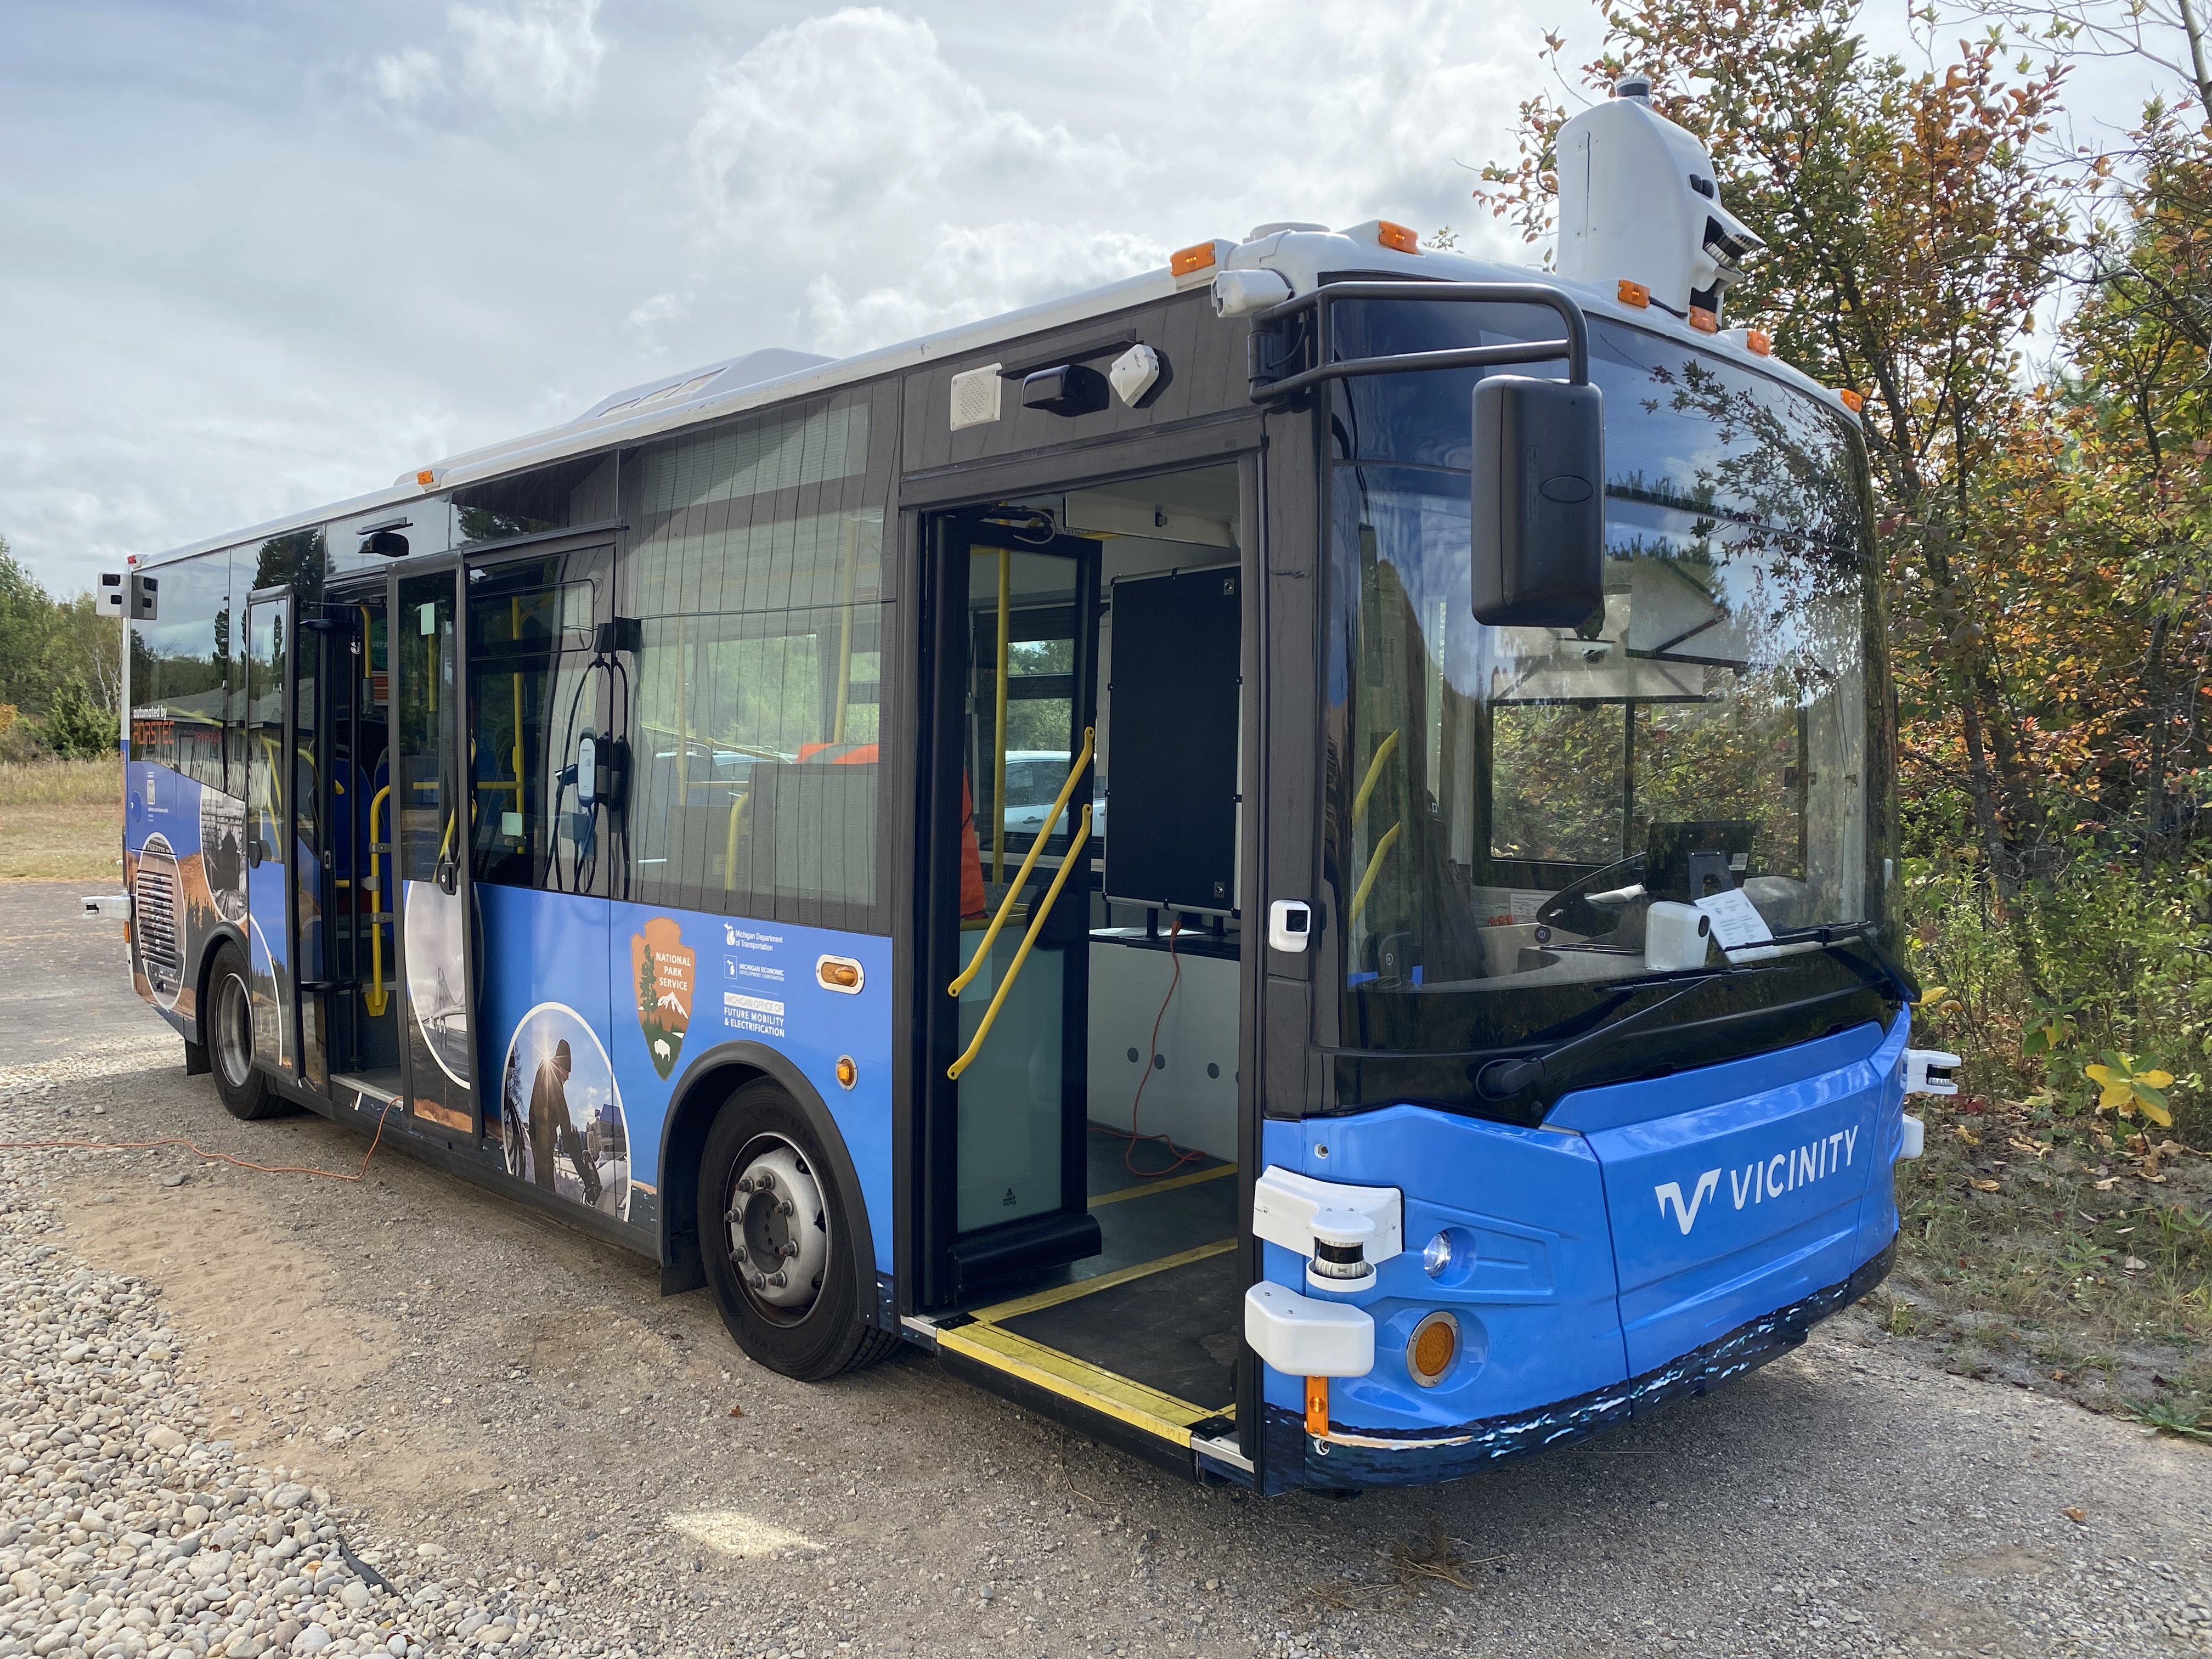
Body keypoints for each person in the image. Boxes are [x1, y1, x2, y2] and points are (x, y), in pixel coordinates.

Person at [528, 1039, 575, 1194]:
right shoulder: (553, 1077)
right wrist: (586, 1176)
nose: (568, 1078)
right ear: (562, 1066)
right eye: (568, 1072)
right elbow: (565, 1123)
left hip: (538, 1137)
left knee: (541, 1183)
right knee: (547, 1188)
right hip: (543, 1139)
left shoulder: (544, 1071)